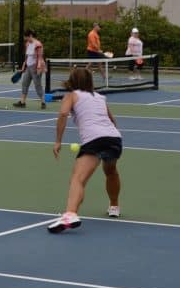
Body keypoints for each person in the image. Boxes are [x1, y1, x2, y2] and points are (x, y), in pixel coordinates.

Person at [48, 66, 124, 232]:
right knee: (111, 171)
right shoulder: (99, 97)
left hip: (94, 140)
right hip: (114, 138)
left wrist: (58, 141)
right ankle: (114, 207)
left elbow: (63, 114)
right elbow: (112, 121)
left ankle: (70, 214)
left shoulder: (71, 95)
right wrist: (110, 139)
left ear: (72, 81)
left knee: (78, 179)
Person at [12, 29, 47, 109]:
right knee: (24, 83)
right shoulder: (27, 44)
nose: (25, 38)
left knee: (37, 85)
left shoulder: (38, 44)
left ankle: (43, 102)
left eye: (26, 37)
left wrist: (39, 67)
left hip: (35, 67)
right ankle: (22, 102)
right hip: (28, 67)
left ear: (30, 35)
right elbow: (27, 57)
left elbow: (40, 57)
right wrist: (23, 67)